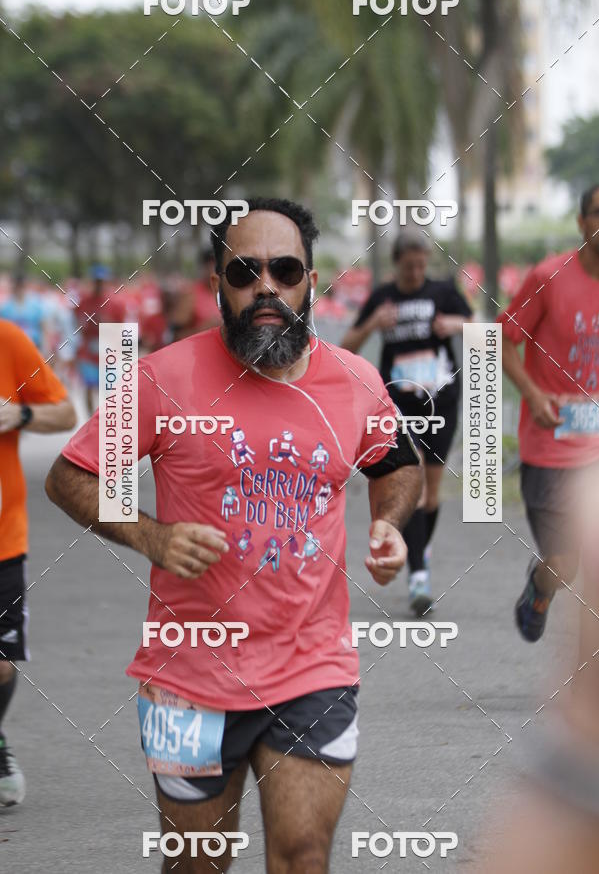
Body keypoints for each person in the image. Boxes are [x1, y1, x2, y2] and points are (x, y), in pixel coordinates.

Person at [46, 198, 423, 873]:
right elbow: (70, 475)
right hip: (187, 675)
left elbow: (397, 464)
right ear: (218, 281)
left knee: (304, 857)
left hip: (314, 667)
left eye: (284, 270)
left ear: (312, 280)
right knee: (199, 865)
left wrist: (390, 525)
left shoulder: (355, 381)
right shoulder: (162, 378)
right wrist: (149, 536)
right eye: (245, 272)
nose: (265, 288)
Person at [341, 231, 472, 616]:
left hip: (441, 399)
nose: (416, 272)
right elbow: (346, 345)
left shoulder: (443, 291)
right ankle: (419, 575)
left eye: (421, 264)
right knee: (410, 484)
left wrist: (455, 325)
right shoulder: (383, 296)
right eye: (409, 265)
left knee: (431, 494)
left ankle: (417, 552)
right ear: (396, 262)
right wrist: (373, 325)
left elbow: (477, 325)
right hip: (398, 401)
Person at [498, 184, 599, 643]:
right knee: (565, 564)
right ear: (582, 223)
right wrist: (533, 394)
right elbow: (499, 340)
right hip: (550, 449)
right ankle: (539, 588)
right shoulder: (549, 276)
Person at [0, 320, 76, 806]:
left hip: (3, 538)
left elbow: (65, 412)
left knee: (2, 667)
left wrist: (20, 414)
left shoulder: (7, 339)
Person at [75, 266, 126, 416]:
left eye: (102, 282)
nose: (99, 285)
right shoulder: (84, 301)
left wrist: (107, 324)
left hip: (108, 351)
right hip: (88, 351)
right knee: (89, 386)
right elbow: (78, 322)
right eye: (96, 282)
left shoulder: (116, 302)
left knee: (110, 388)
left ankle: (108, 418)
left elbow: (122, 328)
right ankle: (90, 420)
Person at [0, 273, 47, 351]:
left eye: (22, 286)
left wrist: (45, 348)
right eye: (17, 286)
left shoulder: (36, 305)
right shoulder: (5, 307)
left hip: (33, 346)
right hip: (12, 347)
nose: (19, 289)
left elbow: (43, 327)